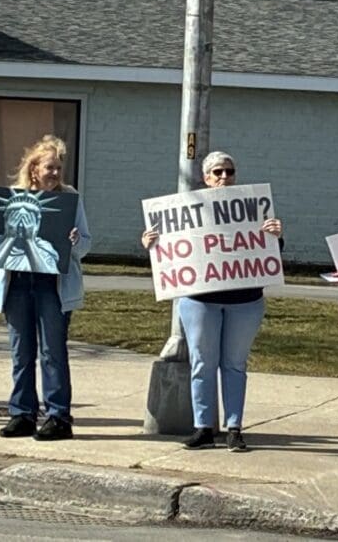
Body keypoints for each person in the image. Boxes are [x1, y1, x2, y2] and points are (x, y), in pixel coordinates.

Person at [141, 151, 283, 453]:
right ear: (205, 178)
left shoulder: (253, 208)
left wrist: (275, 236)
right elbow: (170, 251)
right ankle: (203, 427)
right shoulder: (187, 211)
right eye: (217, 172)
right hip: (200, 301)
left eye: (229, 172)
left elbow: (269, 251)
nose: (223, 177)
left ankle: (234, 428)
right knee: (203, 364)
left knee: (234, 364)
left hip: (245, 300)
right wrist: (151, 243)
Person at [0, 135, 90, 441]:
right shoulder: (11, 199)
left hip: (53, 285)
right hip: (17, 283)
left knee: (53, 352)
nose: (55, 174)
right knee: (21, 353)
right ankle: (22, 413)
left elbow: (86, 244)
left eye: (59, 168)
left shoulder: (69, 200)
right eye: (50, 167)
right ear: (34, 169)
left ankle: (58, 416)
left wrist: (74, 241)